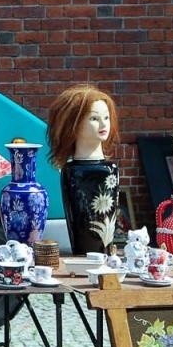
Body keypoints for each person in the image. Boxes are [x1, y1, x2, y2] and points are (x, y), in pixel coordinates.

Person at [46, 84, 121, 255]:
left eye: (107, 117)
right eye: (94, 119)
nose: (104, 124)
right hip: (80, 252)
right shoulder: (71, 171)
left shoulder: (111, 169)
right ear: (74, 124)